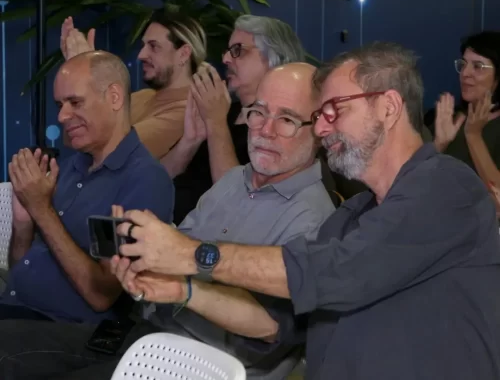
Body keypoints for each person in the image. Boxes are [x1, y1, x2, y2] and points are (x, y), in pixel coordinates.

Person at [117, 43, 500, 380]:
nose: (322, 129)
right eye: (319, 116)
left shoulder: (447, 185)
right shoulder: (353, 215)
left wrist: (191, 254)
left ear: (388, 107)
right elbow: (275, 322)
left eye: (335, 110)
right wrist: (182, 290)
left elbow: (336, 271)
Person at [0, 63, 334, 380]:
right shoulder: (235, 181)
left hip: (194, 363)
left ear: (320, 129)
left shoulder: (313, 219)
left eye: (287, 120)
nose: (265, 130)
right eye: (258, 112)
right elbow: (173, 253)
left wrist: (182, 287)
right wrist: (141, 258)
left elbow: (271, 327)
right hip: (141, 333)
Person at [2, 51, 173, 323]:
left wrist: (42, 210)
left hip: (67, 330)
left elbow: (102, 296)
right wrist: (24, 224)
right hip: (16, 309)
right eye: (59, 105)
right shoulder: (69, 167)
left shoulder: (145, 180)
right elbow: (19, 270)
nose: (62, 116)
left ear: (114, 97)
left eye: (75, 102)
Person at [162, 14, 307, 224]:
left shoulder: (278, 129)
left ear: (274, 60)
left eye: (238, 50)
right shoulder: (224, 110)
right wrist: (190, 140)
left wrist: (215, 123)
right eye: (228, 51)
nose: (226, 60)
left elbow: (236, 201)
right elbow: (157, 179)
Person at [60, 11, 207, 159]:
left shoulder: (189, 112)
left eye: (154, 46)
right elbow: (73, 137)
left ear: (183, 54)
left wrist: (86, 76)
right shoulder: (143, 96)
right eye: (144, 46)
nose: (141, 55)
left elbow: (116, 152)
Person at [432, 31, 500, 208]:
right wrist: (438, 145)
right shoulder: (449, 118)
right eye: (463, 64)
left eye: (478, 66)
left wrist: (473, 135)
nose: (465, 73)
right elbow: (414, 183)